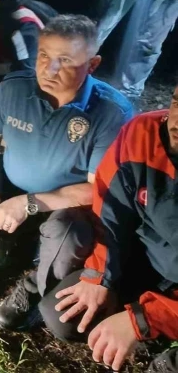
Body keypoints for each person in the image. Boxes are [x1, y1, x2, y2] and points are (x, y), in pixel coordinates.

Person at [0, 15, 133, 330]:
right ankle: (20, 246)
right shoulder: (15, 89)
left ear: (92, 64)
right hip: (10, 189)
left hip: (66, 206)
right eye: (44, 56)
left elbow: (99, 189)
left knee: (67, 235)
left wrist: (30, 204)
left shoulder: (111, 114)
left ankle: (33, 286)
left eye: (65, 60)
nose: (48, 69)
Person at [38, 84, 178, 372]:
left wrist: (144, 318)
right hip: (149, 258)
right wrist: (101, 277)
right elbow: (110, 208)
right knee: (63, 318)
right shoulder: (143, 132)